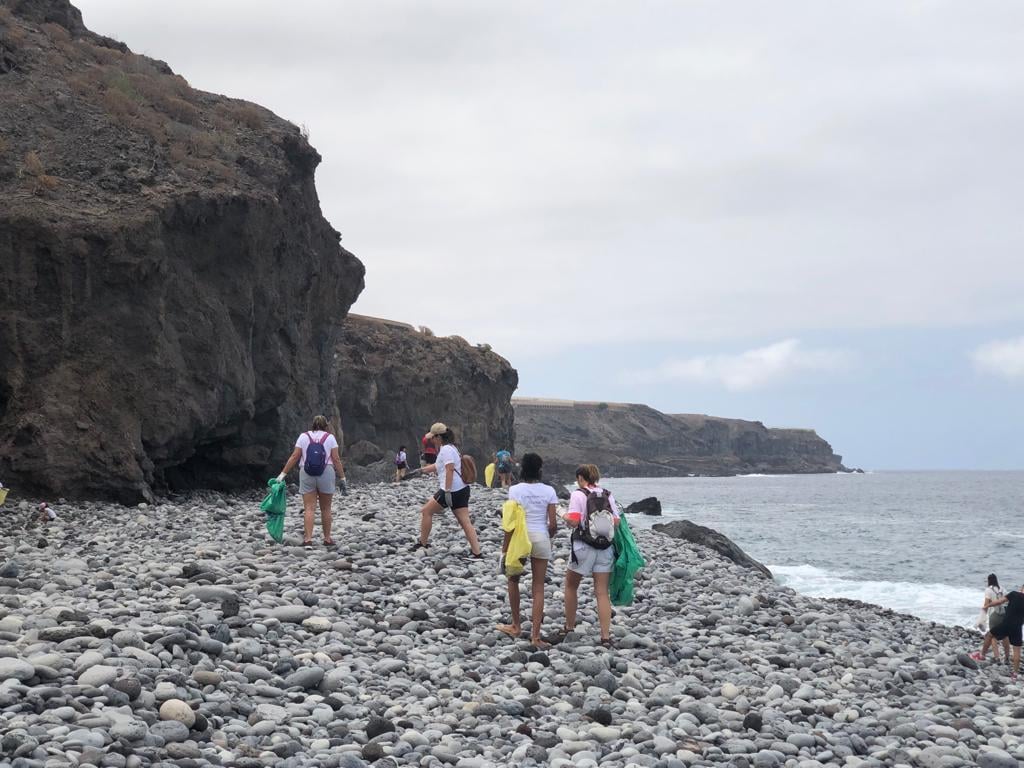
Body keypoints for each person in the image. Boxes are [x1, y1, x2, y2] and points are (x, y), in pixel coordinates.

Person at [496, 453, 558, 648]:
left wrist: (504, 549)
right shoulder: (549, 491)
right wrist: (546, 535)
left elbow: (511, 523)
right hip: (540, 537)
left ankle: (516, 626)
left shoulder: (515, 490)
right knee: (538, 587)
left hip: (520, 539)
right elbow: (553, 524)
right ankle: (536, 636)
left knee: (513, 580)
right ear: (540, 470)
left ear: (522, 469)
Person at [555, 464, 620, 647]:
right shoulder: (607, 494)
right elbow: (616, 521)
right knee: (601, 592)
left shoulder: (578, 494)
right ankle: (605, 636)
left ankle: (569, 626)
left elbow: (574, 521)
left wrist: (562, 514)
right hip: (605, 547)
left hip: (583, 546)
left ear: (581, 478)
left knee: (571, 585)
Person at [410, 422, 482, 560]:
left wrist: (447, 491)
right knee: (465, 521)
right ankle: (477, 553)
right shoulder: (451, 448)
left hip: (451, 490)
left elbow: (449, 468)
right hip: (462, 489)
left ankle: (422, 544)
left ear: (438, 437)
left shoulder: (446, 450)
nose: (431, 440)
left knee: (426, 511)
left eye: (432, 438)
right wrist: (420, 471)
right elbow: (438, 466)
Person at [276, 415, 347, 548]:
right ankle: (327, 539)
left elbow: (295, 456)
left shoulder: (303, 437)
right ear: (326, 425)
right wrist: (342, 478)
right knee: (326, 508)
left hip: (306, 473)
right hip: (326, 472)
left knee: (309, 508)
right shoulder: (330, 438)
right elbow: (336, 459)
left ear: (312, 424)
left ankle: (308, 539)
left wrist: (282, 474)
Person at [987, 584, 1024, 679]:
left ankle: (983, 655)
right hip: (1018, 628)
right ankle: (1015, 674)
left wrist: (988, 605)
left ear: (1021, 588)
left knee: (990, 635)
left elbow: (1000, 601)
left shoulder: (1014, 594)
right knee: (1017, 651)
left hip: (1006, 624)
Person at [972, 573, 1009, 663]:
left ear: (989, 581)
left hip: (994, 614)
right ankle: (1007, 658)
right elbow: (1008, 601)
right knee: (1005, 635)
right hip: (1004, 614)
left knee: (992, 636)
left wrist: (982, 615)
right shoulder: (1003, 588)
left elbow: (986, 604)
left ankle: (997, 657)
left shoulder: (988, 590)